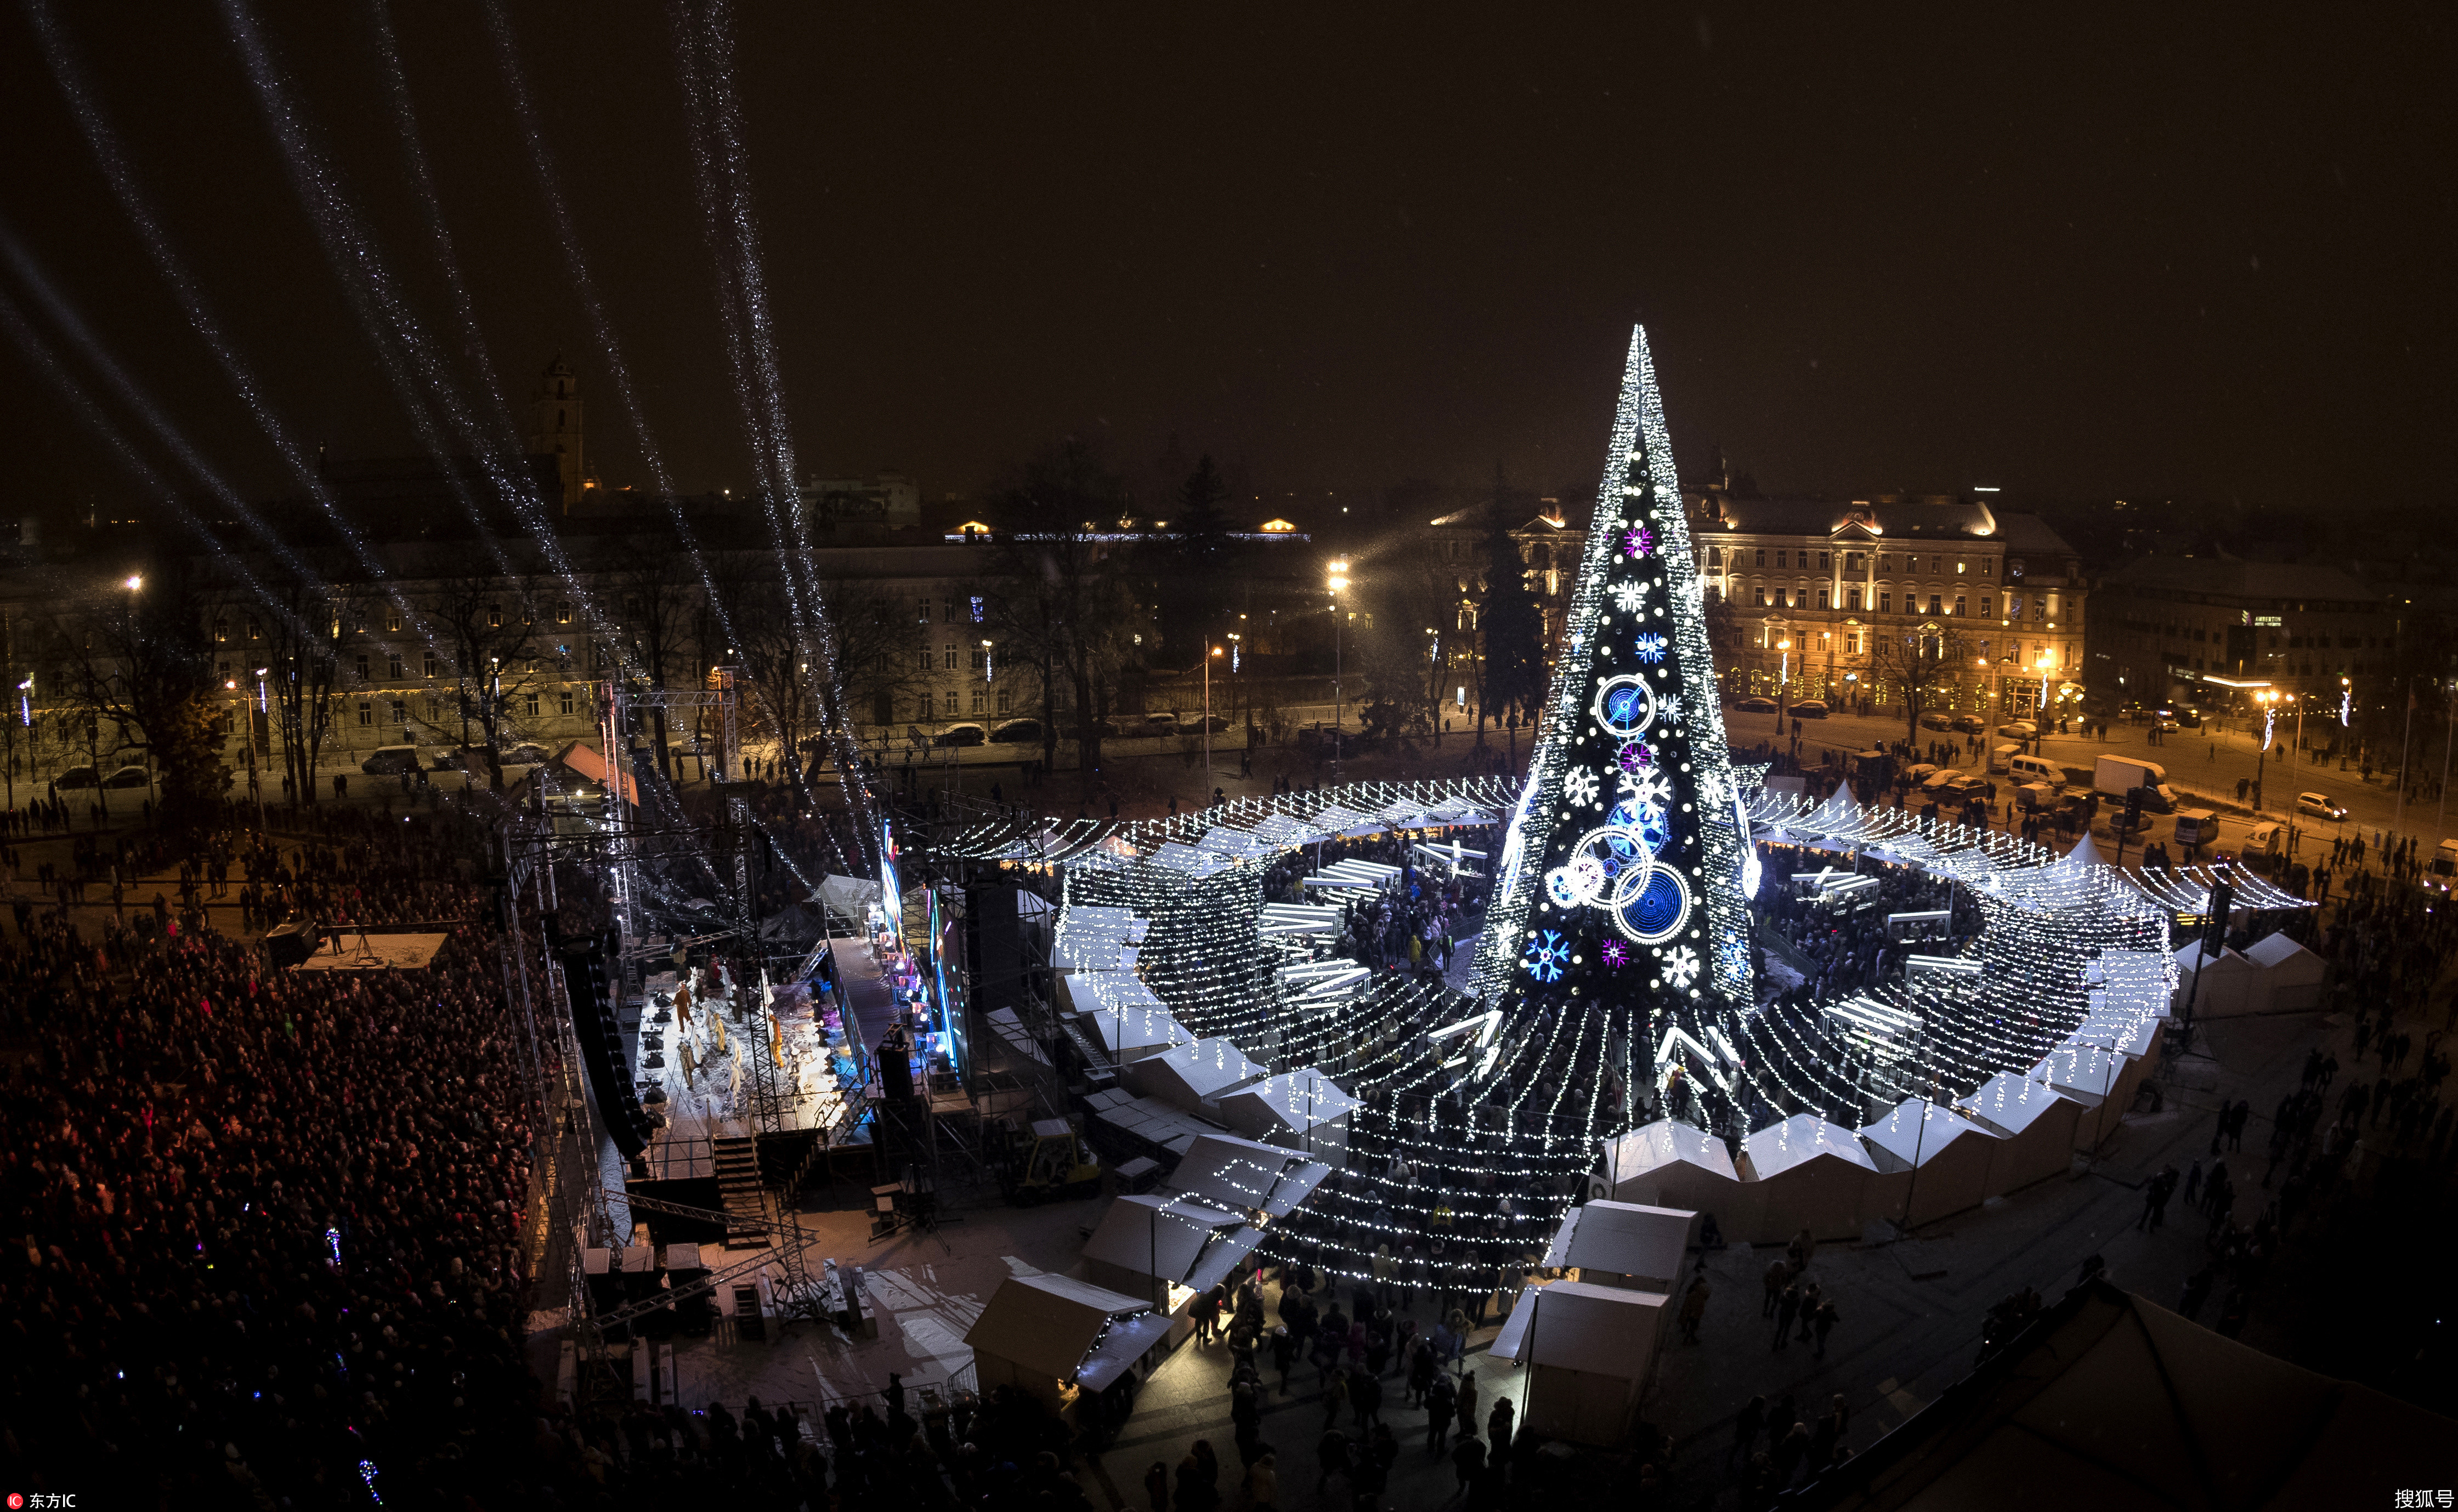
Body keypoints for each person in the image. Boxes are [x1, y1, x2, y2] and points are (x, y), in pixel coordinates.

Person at [1679, 1273, 1711, 1343]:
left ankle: (1688, 1338)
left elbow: (1687, 1305)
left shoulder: (1692, 1293)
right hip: (1696, 1313)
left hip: (1691, 1311)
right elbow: (1706, 1297)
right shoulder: (1702, 1294)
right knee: (1693, 1326)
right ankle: (1689, 1339)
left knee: (1691, 1325)